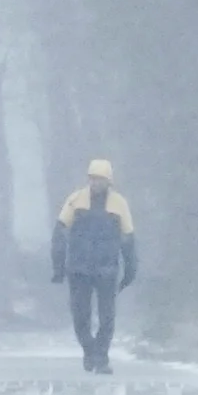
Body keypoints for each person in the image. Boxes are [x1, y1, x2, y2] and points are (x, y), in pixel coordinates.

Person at [51, 156, 137, 371]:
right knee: (80, 316)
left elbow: (128, 239)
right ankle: (90, 350)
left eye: (100, 179)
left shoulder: (120, 204)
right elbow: (59, 232)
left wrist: (130, 270)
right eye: (92, 178)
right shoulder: (75, 200)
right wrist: (58, 266)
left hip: (107, 270)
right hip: (78, 269)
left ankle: (102, 356)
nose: (95, 183)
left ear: (109, 181)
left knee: (107, 318)